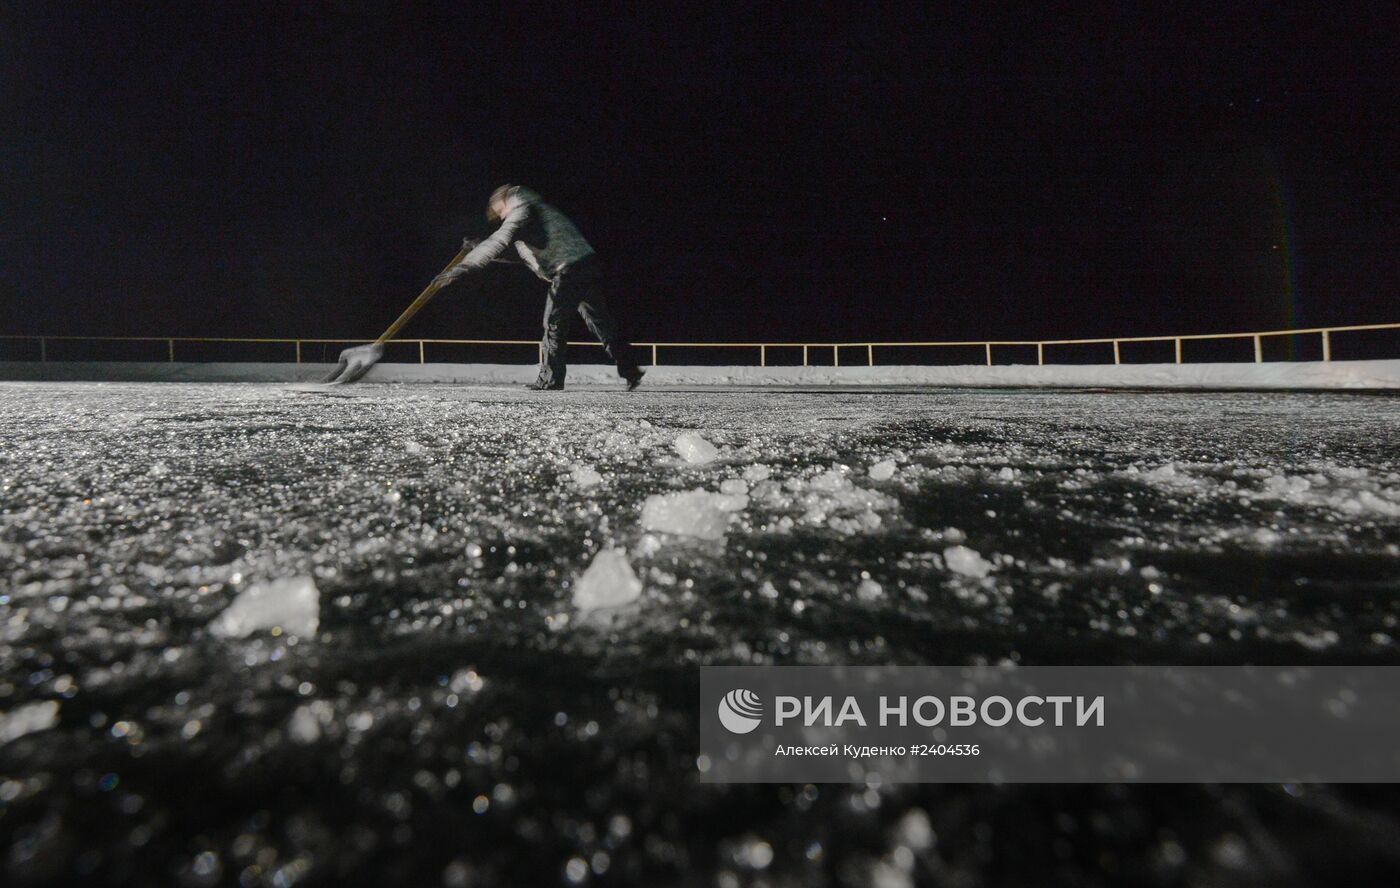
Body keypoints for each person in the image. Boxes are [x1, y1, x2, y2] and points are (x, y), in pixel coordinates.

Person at [432, 185, 644, 391]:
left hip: (568, 270)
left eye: (499, 210)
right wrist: (478, 247)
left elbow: (500, 239)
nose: (501, 216)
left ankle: (550, 380)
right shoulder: (540, 213)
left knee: (554, 323)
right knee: (601, 322)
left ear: (505, 200)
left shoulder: (523, 210)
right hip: (586, 265)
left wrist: (464, 267)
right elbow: (520, 254)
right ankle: (631, 369)